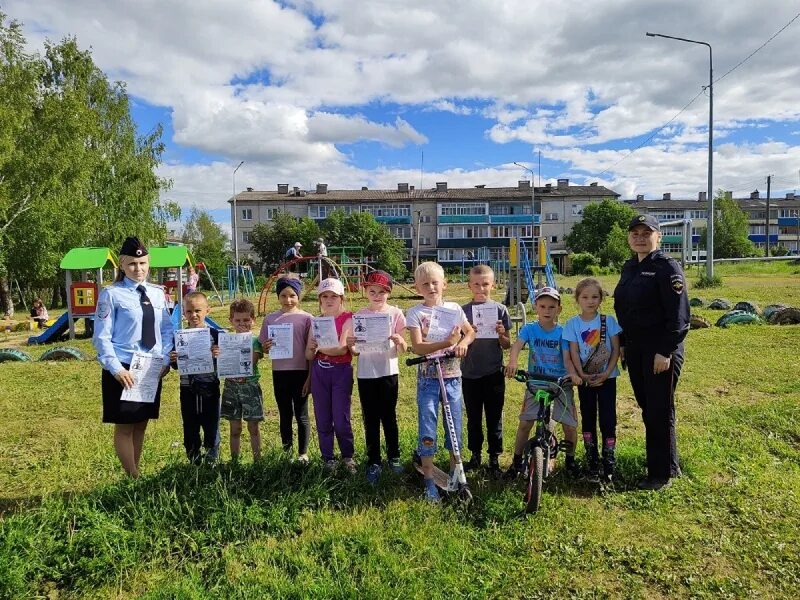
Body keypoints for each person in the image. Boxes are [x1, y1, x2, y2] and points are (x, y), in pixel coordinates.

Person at [614, 214, 690, 491]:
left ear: (658, 236)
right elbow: (624, 310)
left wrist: (665, 350)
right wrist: (621, 343)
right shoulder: (629, 267)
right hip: (635, 348)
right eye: (635, 232)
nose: (640, 237)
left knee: (659, 409)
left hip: (660, 351)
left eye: (647, 233)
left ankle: (661, 475)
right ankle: (669, 463)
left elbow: (679, 316)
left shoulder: (667, 268)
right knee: (650, 408)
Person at [93, 236, 173, 478]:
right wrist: (116, 369)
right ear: (122, 264)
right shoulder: (111, 295)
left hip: (150, 367)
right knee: (125, 425)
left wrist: (166, 360)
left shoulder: (158, 294)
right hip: (125, 368)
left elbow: (166, 330)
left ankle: (134, 471)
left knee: (141, 424)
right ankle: (134, 476)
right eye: (132, 264)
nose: (138, 269)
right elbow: (101, 337)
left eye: (143, 264)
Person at [406, 261, 475, 502]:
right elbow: (417, 347)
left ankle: (457, 472)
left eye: (435, 282)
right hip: (428, 380)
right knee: (428, 427)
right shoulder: (415, 313)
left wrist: (463, 343)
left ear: (444, 284)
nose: (431, 287)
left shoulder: (455, 309)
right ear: (417, 287)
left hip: (453, 378)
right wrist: (447, 343)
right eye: (425, 284)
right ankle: (428, 479)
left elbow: (470, 332)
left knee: (454, 427)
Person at [504, 287, 582, 479]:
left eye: (552, 307)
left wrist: (572, 375)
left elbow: (568, 357)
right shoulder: (530, 329)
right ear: (536, 308)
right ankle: (516, 461)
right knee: (525, 423)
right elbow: (517, 346)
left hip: (560, 383)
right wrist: (513, 362)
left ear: (559, 309)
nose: (547, 310)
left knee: (569, 426)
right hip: (536, 382)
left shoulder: (563, 332)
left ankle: (570, 461)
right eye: (542, 306)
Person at [346, 270, 407, 484]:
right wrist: (351, 345)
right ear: (365, 291)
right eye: (372, 291)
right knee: (370, 418)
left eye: (382, 292)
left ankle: (394, 456)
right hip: (366, 373)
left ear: (389, 293)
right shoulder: (359, 315)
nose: (377, 295)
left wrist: (399, 340)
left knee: (389, 416)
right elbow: (354, 351)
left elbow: (404, 349)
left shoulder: (396, 313)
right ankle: (373, 460)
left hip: (388, 372)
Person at [563, 278, 622, 482]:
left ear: (601, 299)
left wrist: (607, 374)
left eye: (595, 297)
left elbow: (615, 350)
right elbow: (573, 351)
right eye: (585, 297)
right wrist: (581, 375)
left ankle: (609, 462)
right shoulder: (572, 324)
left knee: (608, 419)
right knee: (588, 418)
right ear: (577, 299)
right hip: (584, 381)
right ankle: (592, 461)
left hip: (608, 379)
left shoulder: (609, 321)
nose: (590, 301)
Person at [460, 265, 511, 478]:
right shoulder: (462, 312)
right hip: (470, 374)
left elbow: (507, 344)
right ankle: (475, 455)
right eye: (477, 284)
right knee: (473, 417)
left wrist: (501, 334)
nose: (481, 288)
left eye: (486, 284)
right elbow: (457, 342)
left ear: (493, 285)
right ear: (470, 285)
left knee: (494, 416)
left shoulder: (500, 310)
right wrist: (467, 332)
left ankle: (494, 457)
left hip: (493, 373)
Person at [305, 278, 356, 472]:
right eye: (324, 296)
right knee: (323, 417)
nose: (329, 300)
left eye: (333, 296)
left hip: (341, 372)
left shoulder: (348, 318)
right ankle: (328, 457)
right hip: (320, 371)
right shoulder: (316, 321)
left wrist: (319, 347)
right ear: (319, 300)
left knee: (341, 418)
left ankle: (347, 456)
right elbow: (308, 354)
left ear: (341, 298)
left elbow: (342, 349)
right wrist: (312, 349)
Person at [260, 276, 313, 463]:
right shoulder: (270, 319)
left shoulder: (307, 319)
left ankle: (303, 453)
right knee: (284, 413)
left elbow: (311, 350)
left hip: (301, 372)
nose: (288, 300)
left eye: (292, 295)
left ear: (298, 296)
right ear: (278, 296)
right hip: (280, 373)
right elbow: (263, 347)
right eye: (283, 295)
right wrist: (266, 347)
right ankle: (287, 451)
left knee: (301, 414)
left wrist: (309, 377)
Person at [170, 291, 221, 464]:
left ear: (208, 310)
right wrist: (174, 359)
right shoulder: (179, 337)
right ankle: (193, 457)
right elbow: (176, 366)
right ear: (183, 313)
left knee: (211, 421)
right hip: (188, 388)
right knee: (190, 422)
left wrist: (218, 354)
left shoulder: (216, 335)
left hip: (210, 386)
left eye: (198, 310)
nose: (194, 315)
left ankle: (212, 456)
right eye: (189, 311)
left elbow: (225, 363)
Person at [220, 298, 264, 463]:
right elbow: (222, 363)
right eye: (237, 320)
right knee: (234, 428)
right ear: (231, 321)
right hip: (231, 387)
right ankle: (234, 461)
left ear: (253, 320)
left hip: (249, 386)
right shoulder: (225, 341)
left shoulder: (255, 341)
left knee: (253, 426)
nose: (242, 323)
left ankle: (258, 460)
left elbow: (251, 362)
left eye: (246, 320)